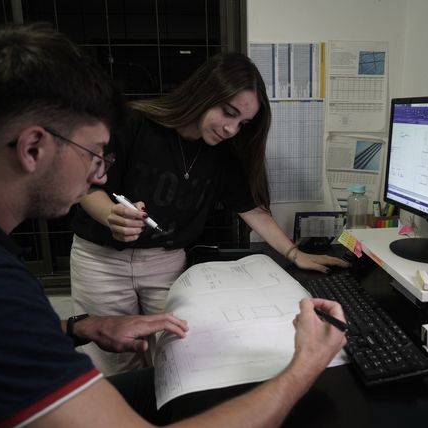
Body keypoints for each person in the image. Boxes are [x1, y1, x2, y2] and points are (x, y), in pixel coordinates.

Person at [0, 22, 348, 427]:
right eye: (95, 154)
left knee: (169, 365)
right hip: (103, 261)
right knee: (125, 372)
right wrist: (305, 366)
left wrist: (81, 326)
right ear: (33, 147)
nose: (100, 176)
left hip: (159, 264)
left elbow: (14, 339)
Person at [70, 51, 350, 375]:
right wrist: (110, 215)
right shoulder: (134, 123)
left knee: (173, 354)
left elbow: (251, 210)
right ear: (203, 93)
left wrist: (294, 253)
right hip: (101, 260)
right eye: (227, 113)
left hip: (165, 260)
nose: (231, 129)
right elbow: (88, 188)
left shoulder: (221, 154)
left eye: (242, 123)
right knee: (113, 363)